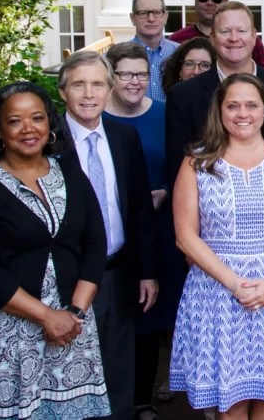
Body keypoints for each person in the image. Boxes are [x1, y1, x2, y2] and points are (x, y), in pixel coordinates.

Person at [0, 82, 110, 419]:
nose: (29, 129)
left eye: (37, 118)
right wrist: (47, 316)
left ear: (50, 124)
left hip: (70, 327)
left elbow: (94, 245)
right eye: (15, 121)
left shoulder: (72, 175)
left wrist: (74, 314)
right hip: (3, 335)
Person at [169, 74, 264, 417]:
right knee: (231, 403)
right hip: (218, 294)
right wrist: (235, 283)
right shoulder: (197, 161)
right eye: (233, 105)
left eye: (252, 105)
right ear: (219, 111)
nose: (243, 113)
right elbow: (185, 236)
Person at [58, 51, 159, 420]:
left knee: (119, 374)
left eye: (97, 84)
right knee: (70, 373)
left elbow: (139, 211)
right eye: (79, 84)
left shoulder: (123, 136)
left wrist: (147, 271)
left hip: (120, 272)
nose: (89, 93)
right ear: (63, 91)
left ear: (109, 89)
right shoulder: (48, 141)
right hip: (68, 277)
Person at [103, 42, 184, 419]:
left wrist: (166, 190)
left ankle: (142, 399)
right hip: (112, 230)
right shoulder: (97, 118)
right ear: (111, 77)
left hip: (159, 225)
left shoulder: (165, 114)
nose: (135, 81)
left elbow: (181, 164)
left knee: (151, 311)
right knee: (115, 310)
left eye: (141, 73)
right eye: (126, 74)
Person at [165, 1, 264, 188]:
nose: (234, 38)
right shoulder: (183, 95)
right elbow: (177, 171)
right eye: (225, 32)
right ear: (212, 38)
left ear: (255, 36)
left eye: (241, 31)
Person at [170, 0, 264, 68]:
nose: (209, 3)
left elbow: (263, 71)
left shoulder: (247, 40)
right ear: (195, 0)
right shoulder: (177, 40)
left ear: (226, 1)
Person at [130, 0, 179, 102]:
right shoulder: (115, 57)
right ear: (132, 18)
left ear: (165, 17)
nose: (151, 19)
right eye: (143, 13)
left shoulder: (180, 53)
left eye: (157, 13)